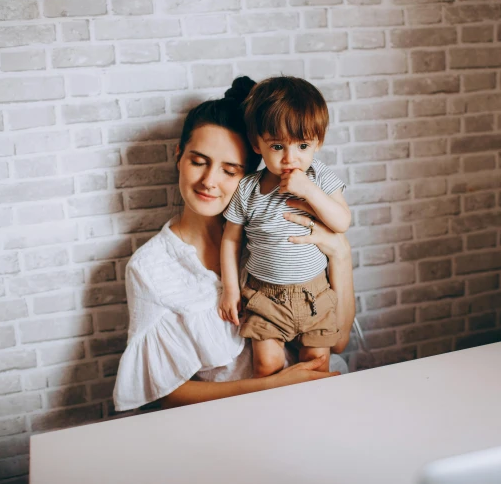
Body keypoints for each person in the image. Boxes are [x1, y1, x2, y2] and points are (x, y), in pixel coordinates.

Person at [112, 77, 356, 411]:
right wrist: (269, 387)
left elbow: (338, 342)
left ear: (250, 178)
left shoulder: (284, 233)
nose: (209, 181)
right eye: (198, 161)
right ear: (179, 156)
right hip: (238, 422)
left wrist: (340, 251)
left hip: (319, 403)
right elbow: (161, 393)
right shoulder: (150, 268)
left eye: (230, 170)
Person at [218, 77, 351, 378]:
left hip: (315, 293)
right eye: (278, 146)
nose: (291, 158)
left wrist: (310, 192)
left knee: (317, 361)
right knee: (266, 366)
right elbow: (230, 240)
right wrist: (229, 289)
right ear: (257, 145)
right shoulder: (249, 189)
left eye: (302, 145)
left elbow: (342, 221)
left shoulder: (319, 177)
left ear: (318, 142)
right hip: (266, 296)